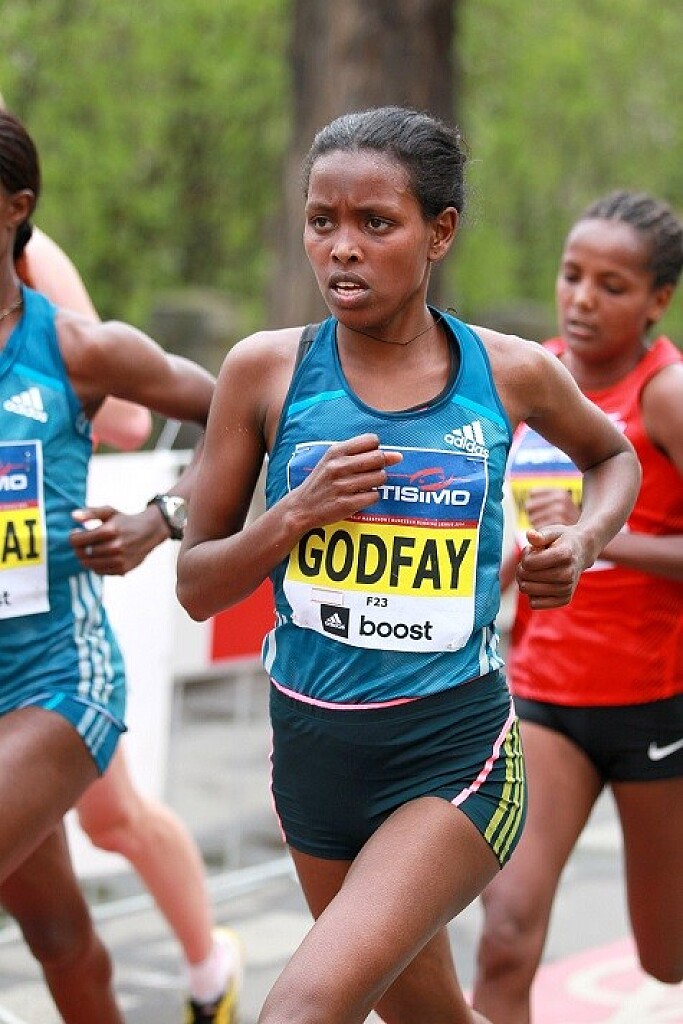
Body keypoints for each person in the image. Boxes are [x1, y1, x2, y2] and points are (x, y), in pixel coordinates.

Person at [175, 106, 641, 1024]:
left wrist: (583, 544)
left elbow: (611, 455)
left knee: (301, 1010)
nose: (341, 247)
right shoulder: (264, 373)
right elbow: (196, 587)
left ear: (439, 232)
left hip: (454, 756)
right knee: (425, 1017)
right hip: (311, 756)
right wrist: (294, 514)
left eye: (375, 222)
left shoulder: (507, 372)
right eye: (321, 221)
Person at [0, 108, 239, 1024]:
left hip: (55, 681)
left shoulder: (74, 348)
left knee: (111, 834)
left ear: (16, 207)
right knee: (58, 933)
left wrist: (161, 517)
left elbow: (239, 415)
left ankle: (210, 967)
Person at [471, 190, 683, 1022]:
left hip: (655, 705)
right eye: (571, 276)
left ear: (656, 301)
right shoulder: (533, 377)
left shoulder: (664, 395)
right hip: (545, 696)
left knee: (667, 958)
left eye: (611, 285)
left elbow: (575, 532)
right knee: (503, 929)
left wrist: (597, 538)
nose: (582, 299)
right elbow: (509, 532)